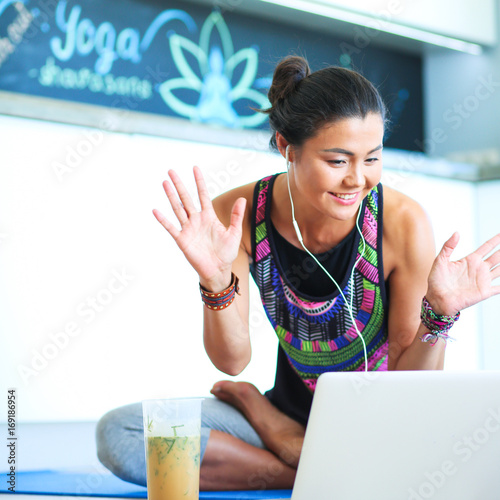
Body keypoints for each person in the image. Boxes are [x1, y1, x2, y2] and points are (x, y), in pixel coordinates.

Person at [95, 55, 500, 490]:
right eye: (338, 161)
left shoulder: (402, 222)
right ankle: (308, 462)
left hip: (383, 426)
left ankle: (294, 449)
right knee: (121, 435)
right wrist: (215, 282)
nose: (358, 180)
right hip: (294, 413)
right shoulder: (240, 215)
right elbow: (232, 361)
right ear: (287, 146)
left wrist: (439, 313)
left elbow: (412, 387)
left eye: (372, 158)